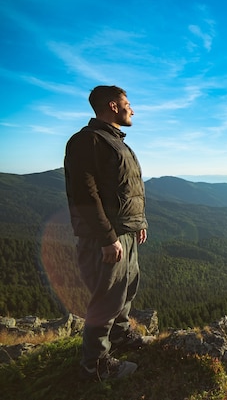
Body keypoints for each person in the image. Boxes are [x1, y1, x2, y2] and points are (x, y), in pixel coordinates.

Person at [64, 85, 151, 381]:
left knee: (126, 290)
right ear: (113, 106)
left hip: (124, 231)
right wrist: (107, 237)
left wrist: (138, 223)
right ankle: (95, 367)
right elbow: (85, 195)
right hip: (107, 237)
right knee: (106, 299)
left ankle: (121, 336)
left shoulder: (114, 141)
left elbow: (125, 187)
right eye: (128, 103)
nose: (132, 109)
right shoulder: (87, 141)